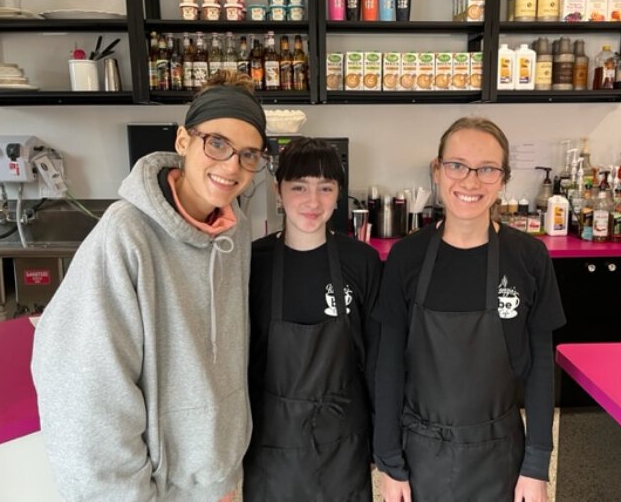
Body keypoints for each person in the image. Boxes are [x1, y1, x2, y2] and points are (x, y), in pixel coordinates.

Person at [31, 71, 267, 502]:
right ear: (183, 141)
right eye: (217, 143)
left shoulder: (234, 233)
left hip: (219, 484)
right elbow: (85, 397)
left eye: (249, 154)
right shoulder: (125, 234)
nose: (231, 165)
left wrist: (225, 475)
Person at [373, 117, 566, 502]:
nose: (471, 181)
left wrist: (536, 465)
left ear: (504, 177)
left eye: (488, 169)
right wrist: (389, 461)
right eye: (457, 165)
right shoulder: (406, 257)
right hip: (419, 456)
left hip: (501, 456)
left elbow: (542, 367)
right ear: (437, 170)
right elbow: (389, 365)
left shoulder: (529, 257)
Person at [243, 137, 381, 501]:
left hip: (343, 441)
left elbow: (377, 358)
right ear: (278, 191)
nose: (312, 201)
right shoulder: (252, 262)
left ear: (338, 194)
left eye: (325, 187)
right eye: (299, 186)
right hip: (270, 442)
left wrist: (383, 440)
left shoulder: (362, 261)